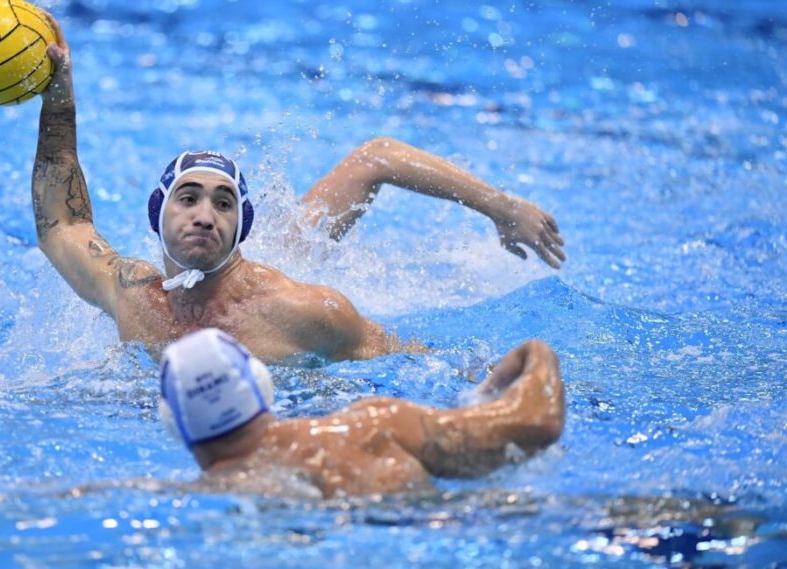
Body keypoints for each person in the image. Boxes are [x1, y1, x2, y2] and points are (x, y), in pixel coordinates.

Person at [31, 15, 566, 362]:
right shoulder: (132, 295)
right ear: (158, 214)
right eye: (187, 198)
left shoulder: (302, 312)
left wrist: (500, 206)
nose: (204, 215)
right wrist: (59, 97)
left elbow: (424, 362)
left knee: (361, 173)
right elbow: (62, 223)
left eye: (223, 204)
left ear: (242, 227)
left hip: (271, 279)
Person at [159, 328, 565, 498]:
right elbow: (539, 423)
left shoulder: (187, 496)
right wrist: (536, 354)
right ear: (262, 384)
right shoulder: (375, 429)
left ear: (174, 423)